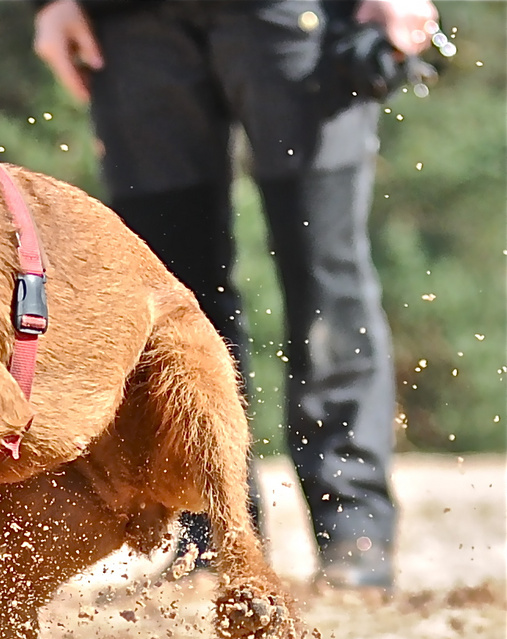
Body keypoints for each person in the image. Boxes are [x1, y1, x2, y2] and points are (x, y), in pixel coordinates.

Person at [33, 0, 440, 591]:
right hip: (130, 26)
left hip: (296, 20)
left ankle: (354, 533)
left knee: (327, 281)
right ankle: (210, 536)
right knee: (170, 301)